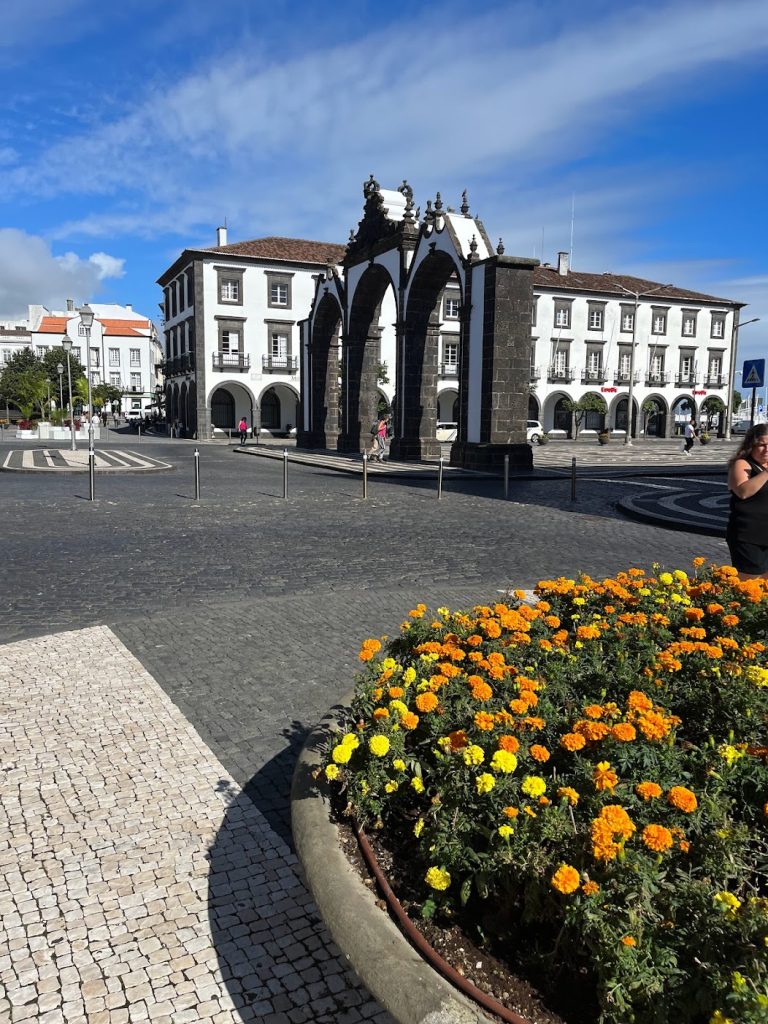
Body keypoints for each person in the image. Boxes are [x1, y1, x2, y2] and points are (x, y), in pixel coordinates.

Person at [726, 423, 768, 580]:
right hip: (748, 536)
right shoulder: (742, 464)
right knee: (749, 587)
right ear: (751, 445)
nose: (767, 449)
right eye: (762, 445)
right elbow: (743, 492)